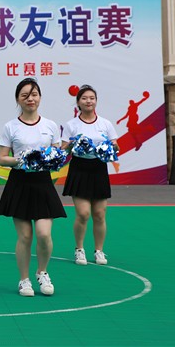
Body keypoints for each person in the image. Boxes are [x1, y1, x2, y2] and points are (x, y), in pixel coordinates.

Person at [0, 77, 66, 297]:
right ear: (18, 99)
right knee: (25, 236)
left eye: (34, 94)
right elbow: (2, 158)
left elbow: (57, 155)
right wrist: (23, 159)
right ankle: (24, 280)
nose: (30, 99)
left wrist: (49, 159)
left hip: (43, 183)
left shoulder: (50, 125)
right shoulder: (11, 126)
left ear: (40, 98)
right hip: (19, 184)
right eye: (25, 95)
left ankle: (42, 272)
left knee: (44, 234)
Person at [61, 85, 119, 266]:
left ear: (96, 101)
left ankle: (99, 250)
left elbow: (116, 146)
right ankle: (79, 249)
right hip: (79, 169)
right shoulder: (72, 125)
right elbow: (63, 149)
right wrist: (72, 144)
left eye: (92, 98)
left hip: (99, 168)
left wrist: (111, 147)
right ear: (78, 102)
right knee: (83, 213)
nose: (88, 101)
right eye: (84, 98)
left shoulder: (105, 124)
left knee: (100, 214)